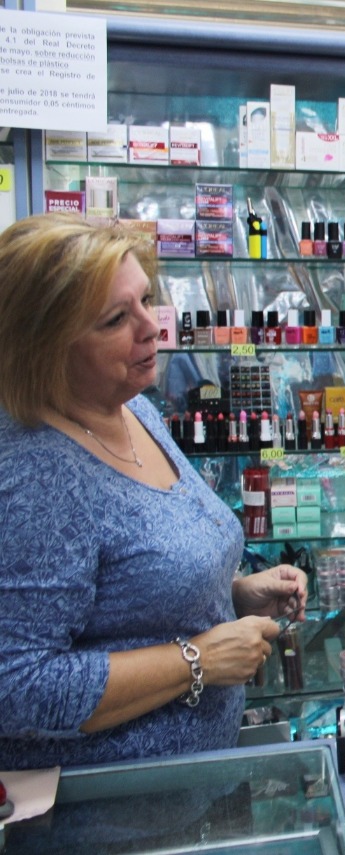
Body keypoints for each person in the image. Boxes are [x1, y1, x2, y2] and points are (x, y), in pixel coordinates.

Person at [0, 214, 307, 770]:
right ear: (45, 345)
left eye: (146, 300)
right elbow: (17, 687)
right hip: (109, 806)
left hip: (190, 787)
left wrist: (231, 596)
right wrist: (198, 659)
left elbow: (128, 597)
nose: (152, 327)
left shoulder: (132, 408)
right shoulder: (35, 474)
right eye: (116, 319)